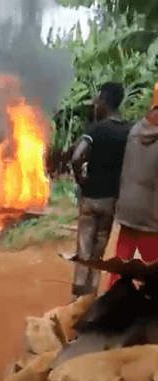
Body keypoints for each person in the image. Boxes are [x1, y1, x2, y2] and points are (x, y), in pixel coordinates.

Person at [70, 82, 133, 299]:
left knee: (84, 252)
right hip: (111, 201)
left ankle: (74, 306)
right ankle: (91, 303)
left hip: (90, 199)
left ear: (105, 101)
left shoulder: (96, 129)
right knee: (98, 254)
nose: (95, 105)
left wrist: (82, 180)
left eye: (98, 100)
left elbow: (77, 156)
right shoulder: (128, 131)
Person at [106, 84, 158, 289]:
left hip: (127, 211)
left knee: (120, 266)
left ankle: (106, 305)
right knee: (154, 272)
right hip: (150, 218)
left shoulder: (136, 129)